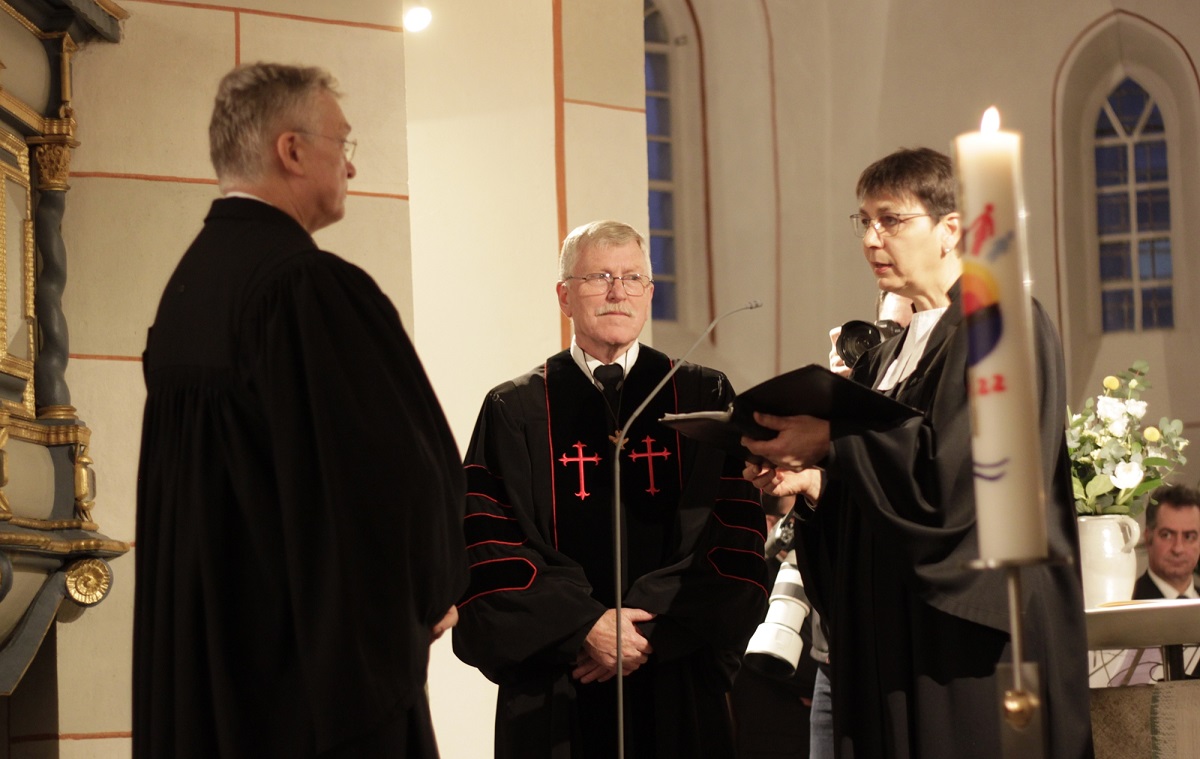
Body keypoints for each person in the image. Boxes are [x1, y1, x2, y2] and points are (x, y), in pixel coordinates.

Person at [134, 63, 467, 758]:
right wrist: (433, 583)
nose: (350, 165)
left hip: (210, 674)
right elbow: (390, 477)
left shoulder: (188, 288)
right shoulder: (306, 289)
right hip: (303, 690)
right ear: (291, 150)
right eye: (342, 144)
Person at [743, 148, 1094, 759]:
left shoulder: (999, 324)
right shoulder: (884, 358)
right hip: (891, 639)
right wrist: (813, 486)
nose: (872, 238)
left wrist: (831, 442)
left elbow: (968, 481)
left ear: (951, 229)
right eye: (864, 222)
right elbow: (886, 491)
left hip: (967, 648)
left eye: (892, 220)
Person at [453, 220, 769, 758]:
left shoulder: (702, 394)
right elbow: (489, 546)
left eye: (632, 277)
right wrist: (583, 626)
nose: (618, 292)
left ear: (650, 292)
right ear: (564, 296)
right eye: (599, 276)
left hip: (674, 669)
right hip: (558, 679)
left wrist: (643, 632)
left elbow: (733, 537)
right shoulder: (515, 408)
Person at [1135, 484, 1200, 600]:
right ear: (1148, 538)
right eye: (1167, 535)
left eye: (1189, 537)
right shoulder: (1126, 604)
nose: (1178, 549)